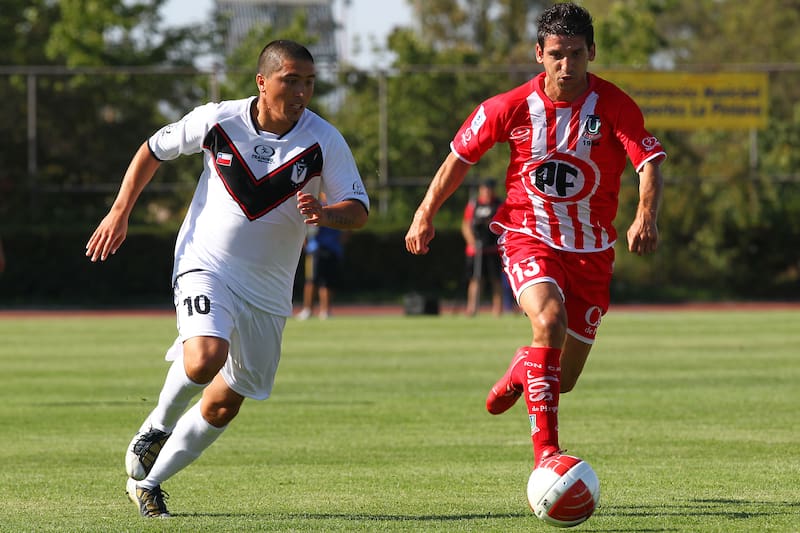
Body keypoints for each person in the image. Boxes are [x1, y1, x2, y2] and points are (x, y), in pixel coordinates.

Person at [85, 39, 369, 518]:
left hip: (269, 291)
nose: (302, 91)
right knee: (204, 356)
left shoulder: (324, 139)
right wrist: (120, 211)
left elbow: (358, 210)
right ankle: (157, 425)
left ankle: (148, 484)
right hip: (205, 263)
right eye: (291, 80)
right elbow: (153, 149)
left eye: (309, 82)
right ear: (262, 82)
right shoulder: (218, 119)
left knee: (223, 405)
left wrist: (326, 213)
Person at [405, 3, 664, 468]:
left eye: (577, 54)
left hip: (591, 250)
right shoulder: (509, 106)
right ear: (539, 53)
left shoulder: (614, 105)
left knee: (562, 379)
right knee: (548, 320)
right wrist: (425, 213)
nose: (567, 65)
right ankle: (547, 455)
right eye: (557, 54)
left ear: (592, 53)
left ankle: (523, 368)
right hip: (528, 234)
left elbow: (648, 163)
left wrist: (645, 215)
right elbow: (459, 159)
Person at [461, 179, 503, 316]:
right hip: (476, 250)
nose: (487, 191)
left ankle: (497, 310)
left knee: (496, 279)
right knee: (476, 279)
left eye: (489, 188)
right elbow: (466, 225)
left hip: (494, 249)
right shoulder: (474, 204)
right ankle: (472, 308)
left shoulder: (499, 204)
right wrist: (472, 242)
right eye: (484, 188)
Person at [296, 224, 344, 320]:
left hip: (332, 250)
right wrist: (307, 245)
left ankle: (325, 311)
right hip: (315, 250)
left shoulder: (337, 214)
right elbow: (308, 229)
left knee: (327, 282)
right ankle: (308, 309)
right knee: (311, 280)